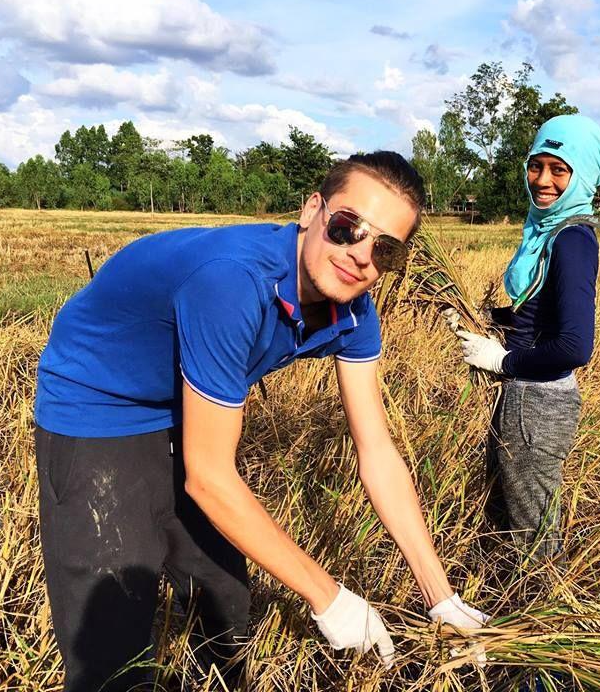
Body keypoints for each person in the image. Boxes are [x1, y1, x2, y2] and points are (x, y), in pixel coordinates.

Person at [33, 152, 488, 691]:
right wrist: (330, 597)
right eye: (348, 226)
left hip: (186, 396)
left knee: (224, 596)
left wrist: (441, 598)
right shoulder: (234, 284)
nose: (360, 255)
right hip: (99, 400)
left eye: (384, 249)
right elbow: (209, 477)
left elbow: (378, 453)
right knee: (113, 628)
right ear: (312, 210)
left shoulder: (357, 313)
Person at [454, 115, 600, 560]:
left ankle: (542, 618)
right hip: (524, 396)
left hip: (539, 403)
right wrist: (483, 318)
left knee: (533, 536)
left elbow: (574, 347)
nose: (543, 180)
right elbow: (540, 316)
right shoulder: (543, 231)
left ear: (584, 174)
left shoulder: (572, 238)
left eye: (559, 169)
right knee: (510, 515)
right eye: (536, 166)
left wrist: (501, 361)